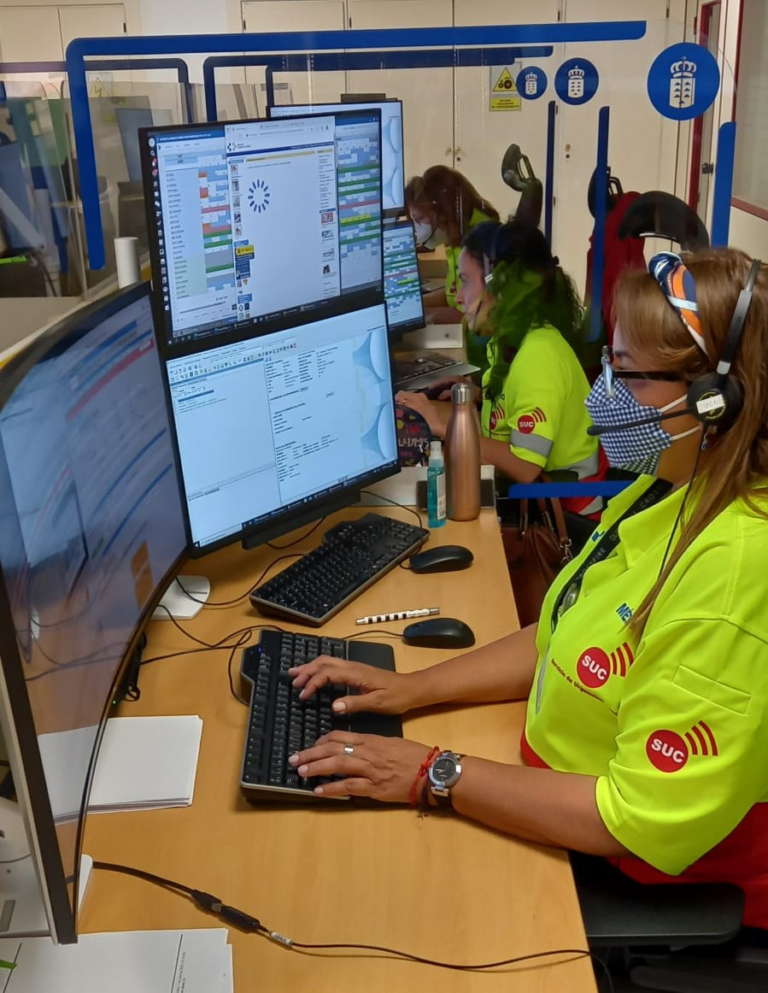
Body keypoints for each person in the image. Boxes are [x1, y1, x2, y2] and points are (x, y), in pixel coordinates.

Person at [287, 248, 768, 932]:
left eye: (625, 373)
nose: (601, 393)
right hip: (555, 794)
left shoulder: (735, 574)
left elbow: (630, 818)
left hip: (644, 877)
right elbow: (559, 632)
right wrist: (411, 689)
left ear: (714, 401)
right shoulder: (670, 484)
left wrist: (434, 771)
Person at [397, 219, 606, 516]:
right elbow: (517, 403)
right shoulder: (510, 338)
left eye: (466, 281)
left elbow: (524, 467)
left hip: (560, 515)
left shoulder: (537, 354)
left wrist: (443, 425)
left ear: (501, 289)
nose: (458, 297)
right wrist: (479, 394)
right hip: (533, 500)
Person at [405, 165, 499, 326]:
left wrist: (420, 314)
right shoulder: (457, 237)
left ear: (443, 212)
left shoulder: (482, 242)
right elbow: (454, 295)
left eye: (419, 218)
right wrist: (419, 304)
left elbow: (472, 314)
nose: (415, 227)